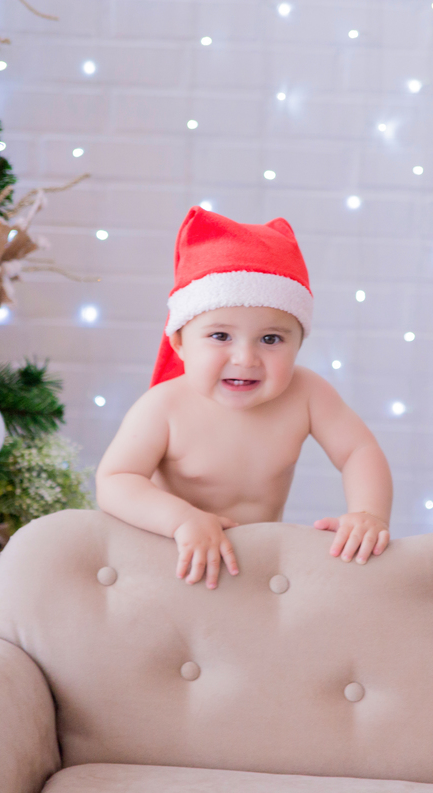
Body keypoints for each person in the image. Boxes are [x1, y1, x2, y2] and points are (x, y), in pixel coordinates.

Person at [95, 207, 393, 589]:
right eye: (220, 336)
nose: (245, 358)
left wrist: (369, 514)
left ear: (300, 343)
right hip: (170, 562)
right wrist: (183, 519)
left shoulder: (306, 394)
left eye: (271, 339)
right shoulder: (164, 406)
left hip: (254, 568)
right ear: (179, 342)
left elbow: (359, 451)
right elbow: (116, 480)